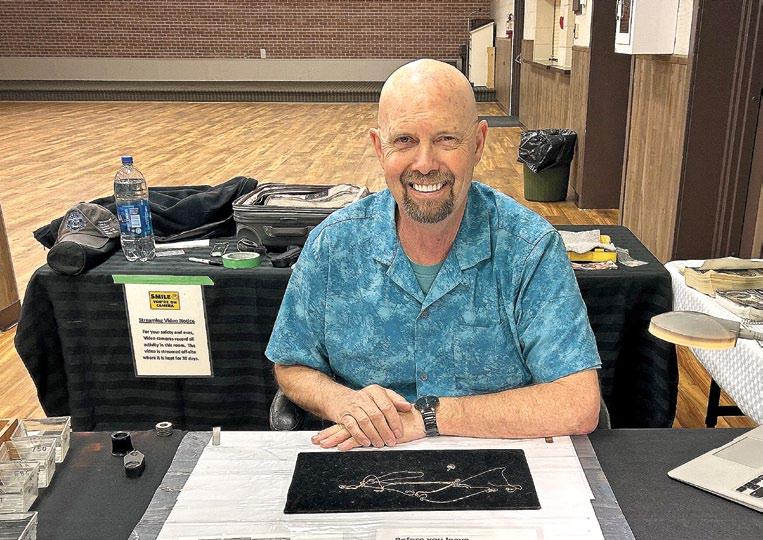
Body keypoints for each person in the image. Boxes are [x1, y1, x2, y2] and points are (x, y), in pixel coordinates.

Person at [266, 59, 601, 451]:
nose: (425, 164)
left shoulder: (529, 248)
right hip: (366, 458)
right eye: (404, 140)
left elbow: (577, 403)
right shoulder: (333, 245)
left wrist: (429, 418)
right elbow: (292, 364)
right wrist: (340, 401)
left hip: (497, 462)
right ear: (378, 147)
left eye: (446, 139)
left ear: (478, 143)